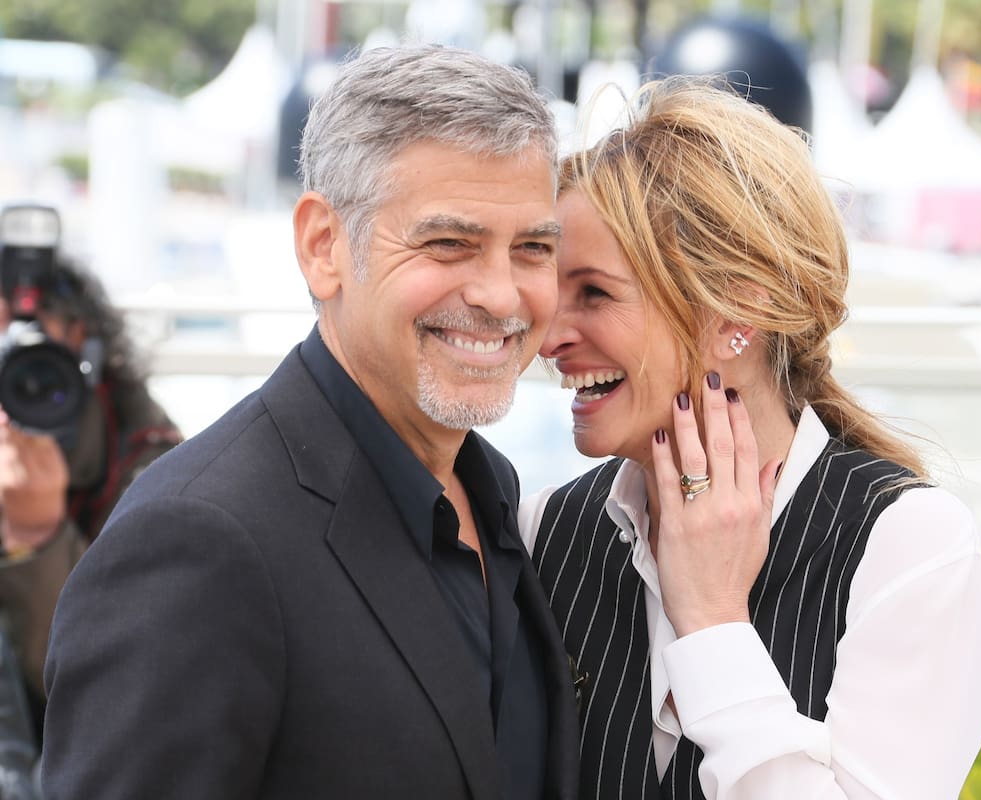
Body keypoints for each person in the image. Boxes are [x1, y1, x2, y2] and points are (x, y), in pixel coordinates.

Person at [42, 44, 580, 799]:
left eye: (532, 248)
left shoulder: (492, 493)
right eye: (448, 243)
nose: (500, 293)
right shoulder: (196, 542)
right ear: (323, 247)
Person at [519, 77, 981, 799]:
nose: (551, 336)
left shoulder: (911, 549)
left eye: (594, 293)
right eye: (555, 294)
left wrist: (713, 623)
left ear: (736, 311)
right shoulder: (545, 532)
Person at [0, 251, 181, 796]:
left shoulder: (149, 460)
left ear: (85, 346)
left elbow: (123, 691)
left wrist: (38, 537)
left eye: (29, 353)